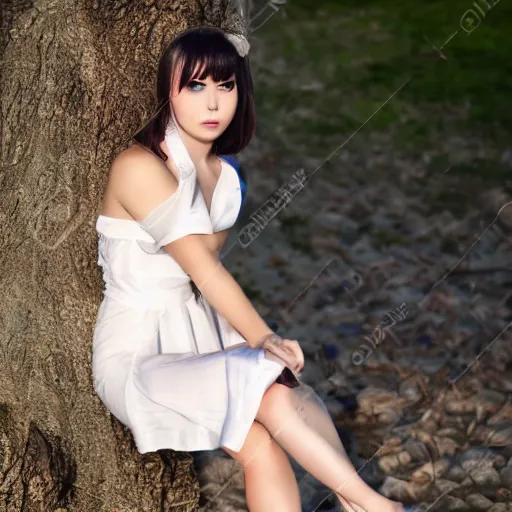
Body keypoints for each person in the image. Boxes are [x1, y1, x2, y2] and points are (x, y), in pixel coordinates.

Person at [92, 25, 405, 512]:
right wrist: (262, 337)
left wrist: (260, 347)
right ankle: (373, 506)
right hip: (137, 357)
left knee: (273, 417)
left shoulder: (225, 177)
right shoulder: (138, 167)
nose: (213, 103)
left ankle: (357, 504)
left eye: (225, 85)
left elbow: (204, 281)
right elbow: (205, 272)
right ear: (167, 93)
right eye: (195, 86)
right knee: (269, 377)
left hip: (194, 338)